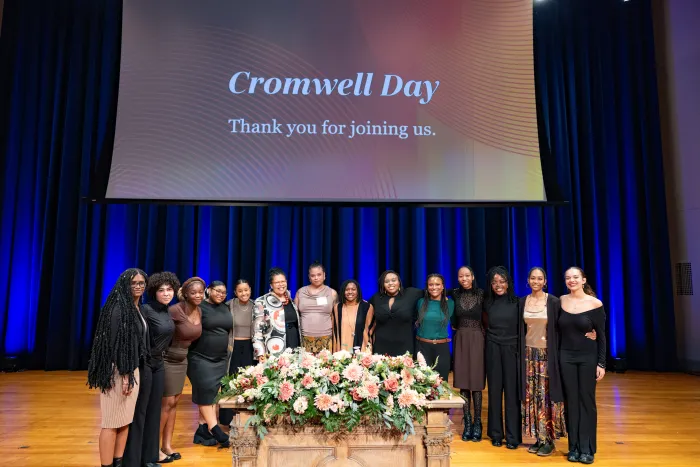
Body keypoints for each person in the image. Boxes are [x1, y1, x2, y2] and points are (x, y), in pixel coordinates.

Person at [87, 268, 149, 467]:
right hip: (118, 371)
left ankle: (118, 462)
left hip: (131, 370)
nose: (138, 286)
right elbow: (114, 345)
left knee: (124, 420)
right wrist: (124, 373)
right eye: (134, 283)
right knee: (111, 422)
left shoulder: (136, 307)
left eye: (141, 283)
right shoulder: (117, 309)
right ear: (124, 284)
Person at [124, 271, 180, 466]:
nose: (166, 293)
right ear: (154, 292)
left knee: (155, 410)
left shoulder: (167, 310)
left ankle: (150, 455)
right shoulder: (146, 310)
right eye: (161, 290)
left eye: (169, 289)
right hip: (145, 363)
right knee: (142, 411)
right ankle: (135, 458)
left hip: (159, 364)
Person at [559, 267, 606, 464]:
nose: (571, 280)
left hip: (588, 356)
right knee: (571, 401)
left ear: (583, 280)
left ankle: (587, 448)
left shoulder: (595, 304)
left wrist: (602, 363)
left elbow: (601, 335)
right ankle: (574, 446)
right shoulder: (560, 301)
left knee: (586, 400)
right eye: (568, 278)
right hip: (565, 356)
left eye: (575, 277)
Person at [519, 267, 566, 457]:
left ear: (545, 281)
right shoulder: (523, 301)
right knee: (533, 397)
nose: (536, 281)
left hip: (547, 355)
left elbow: (565, 326)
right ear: (528, 280)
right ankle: (539, 437)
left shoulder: (553, 302)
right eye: (533, 278)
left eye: (540, 278)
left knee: (547, 397)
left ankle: (550, 439)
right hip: (528, 355)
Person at [160, 277, 204, 461]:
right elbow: (159, 330)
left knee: (174, 403)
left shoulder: (200, 310)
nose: (198, 295)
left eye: (201, 292)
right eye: (193, 293)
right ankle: (153, 448)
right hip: (168, 359)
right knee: (166, 404)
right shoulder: (175, 310)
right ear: (185, 294)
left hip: (182, 359)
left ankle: (167, 445)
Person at [188, 281, 233, 447]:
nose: (221, 294)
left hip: (220, 358)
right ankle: (216, 429)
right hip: (200, 357)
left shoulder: (225, 308)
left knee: (213, 393)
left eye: (224, 292)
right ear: (209, 290)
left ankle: (202, 430)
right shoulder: (200, 307)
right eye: (217, 291)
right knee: (205, 391)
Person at [484, 265, 522, 449]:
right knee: (494, 392)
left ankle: (513, 436)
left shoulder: (518, 302)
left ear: (508, 283)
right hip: (492, 349)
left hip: (512, 350)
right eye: (494, 282)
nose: (498, 285)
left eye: (502, 281)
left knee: (512, 394)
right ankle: (496, 433)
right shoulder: (487, 302)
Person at [450, 266, 486, 442]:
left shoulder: (482, 294)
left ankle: (478, 423)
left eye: (467, 275)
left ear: (472, 276)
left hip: (478, 337)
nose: (464, 278)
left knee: (476, 381)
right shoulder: (454, 294)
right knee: (464, 381)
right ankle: (468, 423)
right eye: (460, 276)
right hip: (461, 338)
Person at [219, 279, 256, 426]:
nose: (244, 293)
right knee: (230, 380)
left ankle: (249, 416)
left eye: (246, 290)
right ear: (235, 292)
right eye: (240, 291)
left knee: (249, 381)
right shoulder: (229, 305)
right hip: (233, 346)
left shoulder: (256, 306)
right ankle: (226, 418)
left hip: (250, 347)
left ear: (250, 290)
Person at [369, 270, 422, 356]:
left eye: (393, 280)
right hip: (381, 347)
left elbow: (432, 292)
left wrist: (449, 293)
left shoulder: (411, 294)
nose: (390, 283)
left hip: (405, 347)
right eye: (386, 281)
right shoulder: (376, 298)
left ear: (399, 282)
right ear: (383, 284)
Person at [252, 267, 302, 359]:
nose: (281, 285)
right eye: (277, 282)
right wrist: (260, 353)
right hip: (274, 347)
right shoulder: (261, 302)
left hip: (294, 343)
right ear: (271, 285)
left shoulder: (291, 300)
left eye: (283, 281)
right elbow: (257, 331)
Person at [415, 274, 454, 380]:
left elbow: (455, 324)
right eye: (431, 284)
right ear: (427, 287)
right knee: (421, 383)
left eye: (437, 284)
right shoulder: (420, 302)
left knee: (441, 385)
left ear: (443, 286)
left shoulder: (450, 303)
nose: (434, 287)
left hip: (442, 348)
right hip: (422, 347)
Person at [295, 262, 337, 352]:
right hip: (305, 337)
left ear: (324, 275)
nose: (316, 278)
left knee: (326, 365)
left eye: (319, 275)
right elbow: (295, 314)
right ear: (309, 277)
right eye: (313, 275)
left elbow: (337, 315)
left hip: (326, 337)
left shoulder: (332, 293)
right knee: (305, 365)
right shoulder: (300, 292)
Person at [332, 279, 373, 352]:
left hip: (362, 351)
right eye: (347, 289)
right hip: (342, 352)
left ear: (358, 291)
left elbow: (371, 330)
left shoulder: (367, 307)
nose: (350, 292)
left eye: (353, 289)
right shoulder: (337, 308)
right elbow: (334, 332)